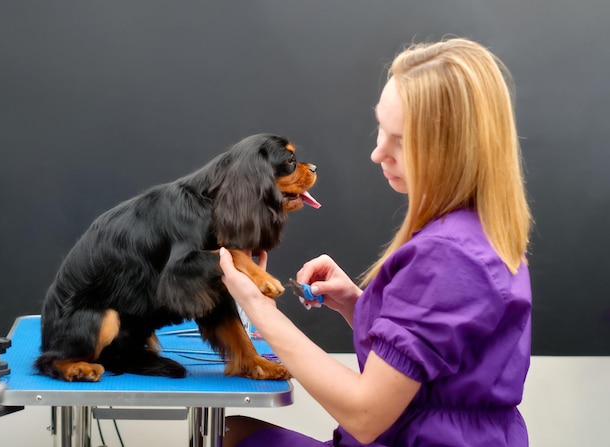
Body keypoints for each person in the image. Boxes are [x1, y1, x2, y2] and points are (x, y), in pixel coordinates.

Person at [219, 37, 532, 447]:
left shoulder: (447, 257)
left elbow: (365, 415)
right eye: (381, 129)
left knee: (225, 435)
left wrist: (258, 307)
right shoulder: (480, 231)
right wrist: (357, 303)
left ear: (455, 149)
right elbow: (435, 357)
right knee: (232, 431)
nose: (377, 153)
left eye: (399, 140)